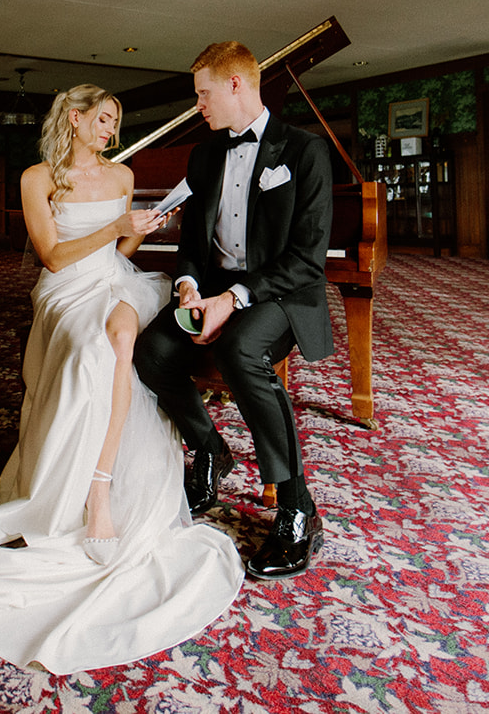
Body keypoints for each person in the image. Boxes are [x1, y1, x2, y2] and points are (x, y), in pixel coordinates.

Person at [0, 84, 242, 674]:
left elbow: (126, 246)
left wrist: (149, 225)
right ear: (75, 119)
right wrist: (115, 230)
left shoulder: (123, 174)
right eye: (104, 119)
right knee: (91, 353)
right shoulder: (37, 178)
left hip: (118, 281)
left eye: (115, 122)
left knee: (121, 341)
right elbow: (53, 258)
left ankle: (101, 487)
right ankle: (65, 486)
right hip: (64, 292)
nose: (112, 129)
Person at [132, 41, 332, 581]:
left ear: (236, 85)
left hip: (281, 294)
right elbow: (192, 243)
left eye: (203, 94)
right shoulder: (203, 154)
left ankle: (297, 508)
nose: (198, 105)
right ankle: (210, 449)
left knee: (241, 348)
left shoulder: (305, 151)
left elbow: (307, 259)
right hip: (215, 288)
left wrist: (232, 301)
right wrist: (192, 288)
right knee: (150, 350)